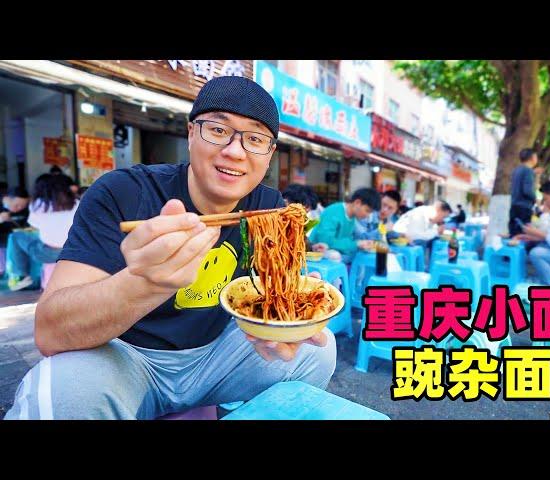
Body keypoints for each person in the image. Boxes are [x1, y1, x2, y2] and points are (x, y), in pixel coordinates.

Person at [4, 76, 336, 420]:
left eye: (254, 139)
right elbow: (50, 332)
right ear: (191, 133)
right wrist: (144, 283)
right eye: (218, 130)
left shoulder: (270, 207)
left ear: (269, 155)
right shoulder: (125, 192)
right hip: (126, 357)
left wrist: (271, 327)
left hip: (216, 357)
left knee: (318, 350)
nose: (235, 151)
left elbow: (276, 295)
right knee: (61, 392)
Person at [6, 174, 79, 291]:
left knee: (16, 237)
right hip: (74, 252)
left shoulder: (38, 204)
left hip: (48, 253)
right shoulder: (76, 203)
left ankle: (21, 276)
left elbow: (35, 227)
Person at [308, 187, 380, 263]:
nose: (368, 215)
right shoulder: (334, 211)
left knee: (361, 254)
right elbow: (326, 241)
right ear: (357, 202)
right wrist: (356, 244)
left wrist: (361, 244)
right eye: (367, 211)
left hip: (332, 250)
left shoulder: (352, 217)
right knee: (335, 256)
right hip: (315, 250)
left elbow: (346, 240)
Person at [509, 148, 538, 236]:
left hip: (514, 206)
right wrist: (535, 199)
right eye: (536, 157)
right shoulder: (528, 171)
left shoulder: (516, 170)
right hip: (524, 208)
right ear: (532, 158)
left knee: (513, 234)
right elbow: (527, 191)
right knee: (521, 235)